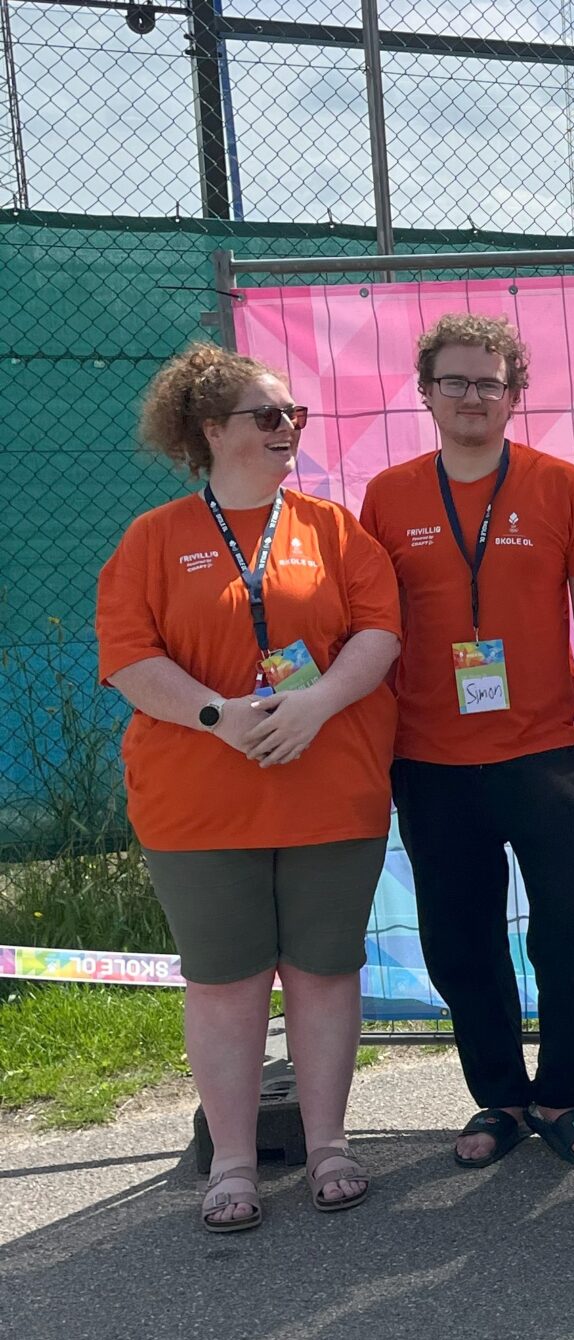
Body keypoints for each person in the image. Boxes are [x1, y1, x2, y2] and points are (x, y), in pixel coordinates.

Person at [96, 342, 401, 1231]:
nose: (288, 429)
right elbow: (129, 658)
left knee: (323, 974)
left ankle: (328, 1145)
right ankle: (232, 1162)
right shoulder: (154, 539)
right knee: (225, 983)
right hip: (198, 806)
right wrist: (217, 717)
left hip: (330, 793)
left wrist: (317, 705)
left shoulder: (333, 529)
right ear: (210, 430)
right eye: (268, 415)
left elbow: (380, 633)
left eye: (293, 415)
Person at [359, 313, 574, 1169]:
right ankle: (500, 1097)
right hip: (430, 758)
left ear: (515, 395)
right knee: (461, 940)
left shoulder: (564, 487)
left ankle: (563, 1095)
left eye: (489, 383)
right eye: (455, 382)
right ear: (426, 392)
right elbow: (373, 625)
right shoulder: (388, 497)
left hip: (545, 751)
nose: (472, 397)